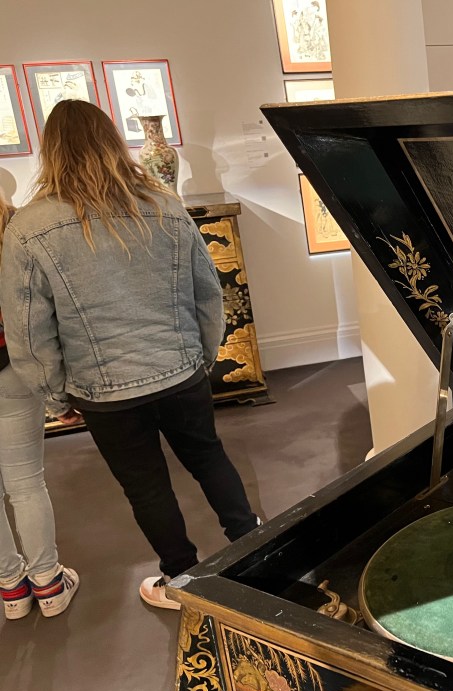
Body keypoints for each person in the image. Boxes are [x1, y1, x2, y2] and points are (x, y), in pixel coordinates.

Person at [0, 100, 260, 612]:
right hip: (181, 369)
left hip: (102, 390)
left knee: (146, 487)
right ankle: (256, 551)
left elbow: (29, 332)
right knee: (209, 458)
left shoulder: (29, 228)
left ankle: (182, 581)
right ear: (115, 140)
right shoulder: (164, 205)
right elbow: (209, 294)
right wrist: (201, 357)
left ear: (51, 152)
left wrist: (56, 396)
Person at [0, 196, 80, 620]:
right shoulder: (14, 226)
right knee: (26, 484)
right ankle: (48, 584)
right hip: (9, 369)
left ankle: (11, 590)